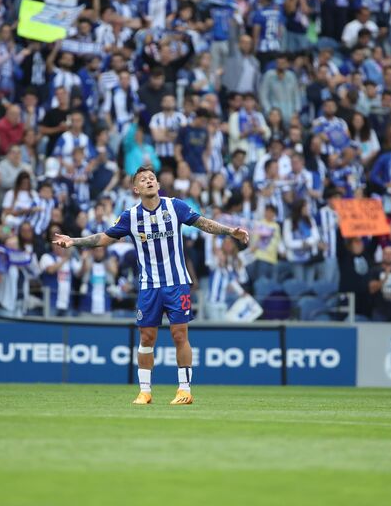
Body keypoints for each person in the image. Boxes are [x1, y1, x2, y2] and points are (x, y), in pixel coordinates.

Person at [52, 165, 249, 405]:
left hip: (177, 283)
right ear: (136, 188)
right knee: (146, 338)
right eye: (143, 179)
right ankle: (145, 391)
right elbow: (103, 238)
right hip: (149, 285)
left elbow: (203, 223)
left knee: (179, 334)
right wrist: (74, 241)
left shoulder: (174, 206)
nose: (149, 181)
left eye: (152, 178)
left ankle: (184, 390)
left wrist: (230, 232)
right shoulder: (130, 216)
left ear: (158, 184)